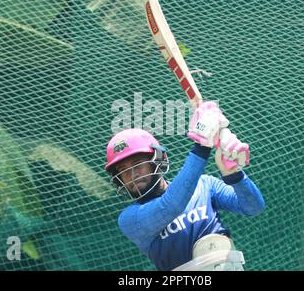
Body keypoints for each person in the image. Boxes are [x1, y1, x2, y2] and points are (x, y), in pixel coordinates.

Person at [104, 101, 265, 271]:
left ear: (157, 159)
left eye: (138, 164)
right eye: (123, 170)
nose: (132, 174)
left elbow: (254, 207)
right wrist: (202, 147)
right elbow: (172, 205)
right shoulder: (130, 220)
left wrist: (234, 174)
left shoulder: (205, 184)